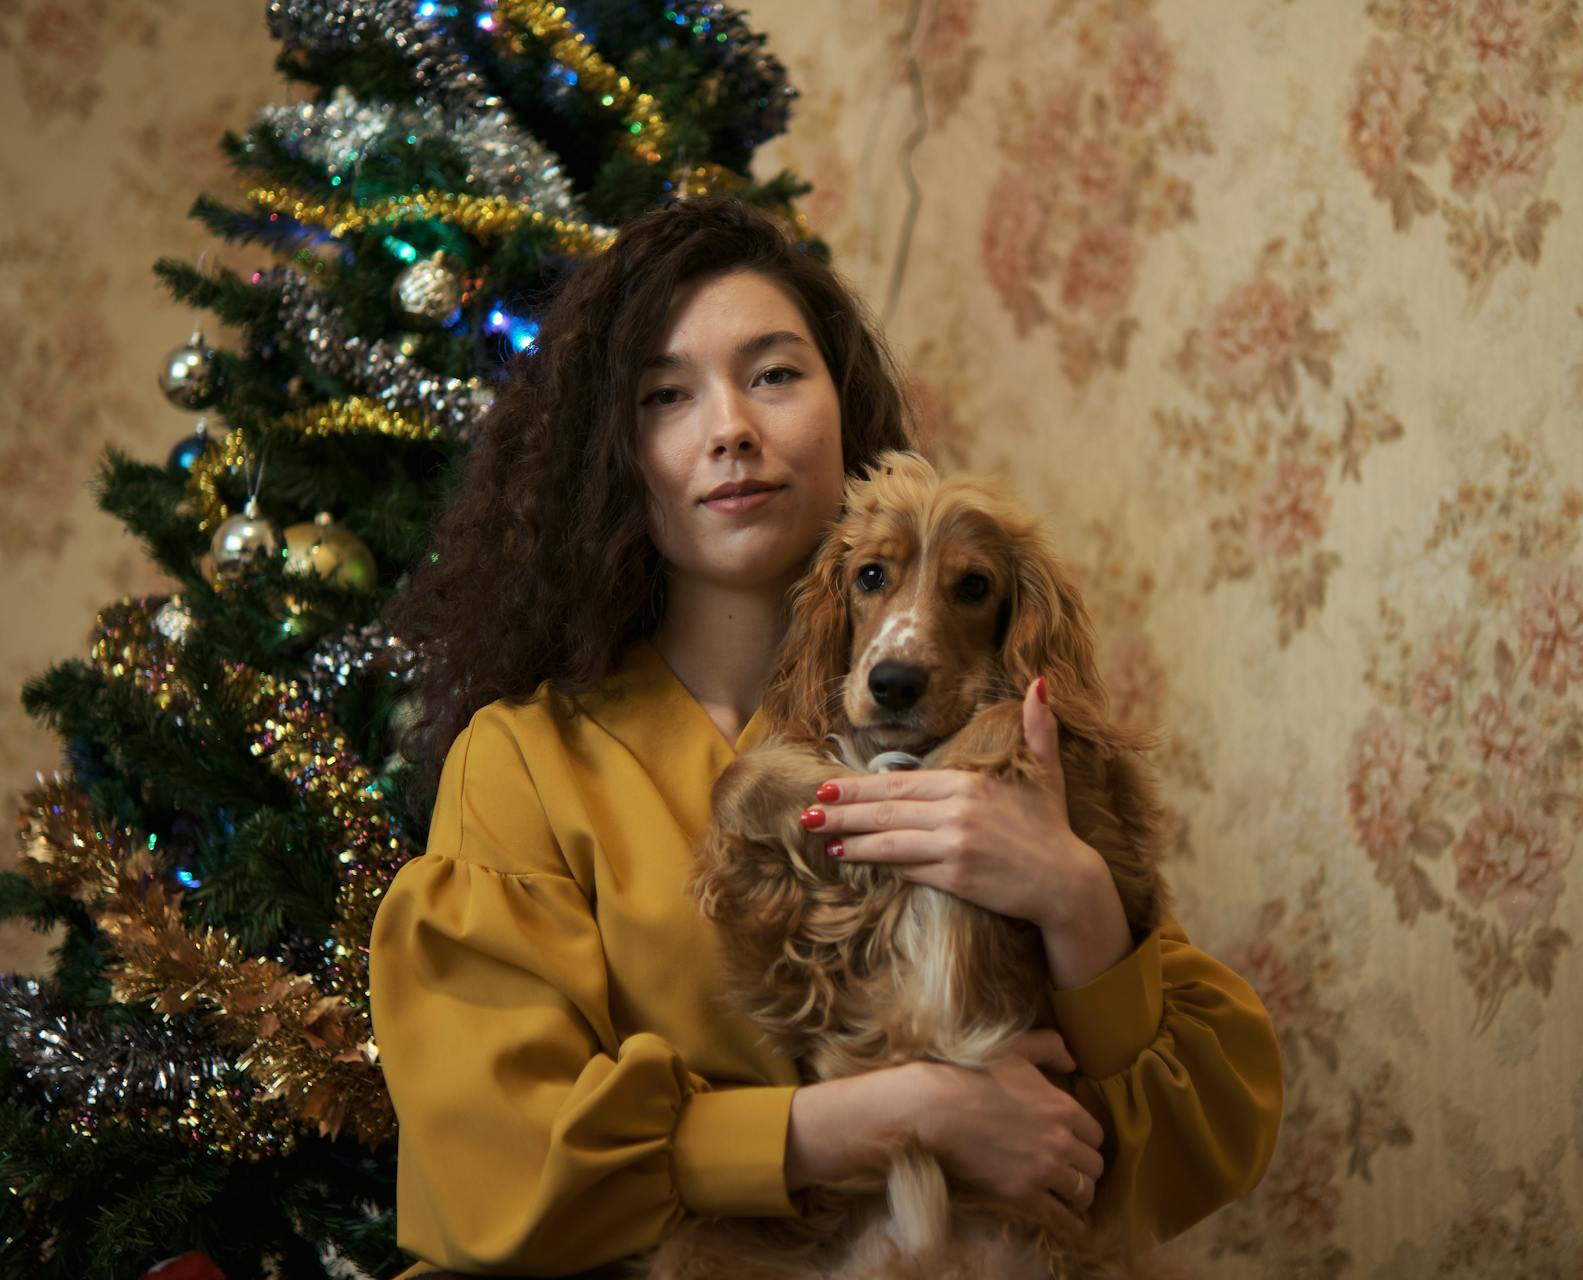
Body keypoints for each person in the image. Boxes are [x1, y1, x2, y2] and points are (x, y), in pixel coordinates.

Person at [370, 195, 1284, 1278]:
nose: (731, 430)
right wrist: (909, 1110)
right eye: (667, 395)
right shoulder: (526, 760)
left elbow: (1179, 1147)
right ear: (615, 459)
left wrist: (1073, 896)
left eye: (773, 374)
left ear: (844, 409)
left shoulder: (1001, 737)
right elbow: (493, 1156)